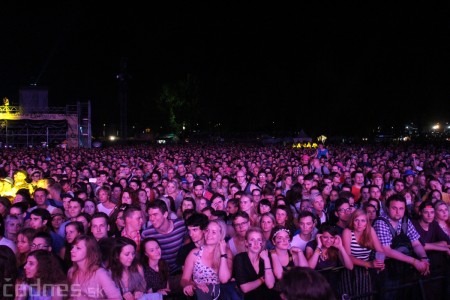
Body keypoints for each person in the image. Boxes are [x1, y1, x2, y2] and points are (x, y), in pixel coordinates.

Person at [373, 194, 430, 299]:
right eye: (394, 208)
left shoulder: (406, 221)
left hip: (404, 268)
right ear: (387, 208)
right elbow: (386, 250)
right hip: (387, 270)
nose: (398, 212)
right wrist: (415, 261)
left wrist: (424, 258)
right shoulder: (381, 222)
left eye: (401, 208)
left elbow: (416, 243)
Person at [181, 219, 232, 299]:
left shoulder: (226, 253)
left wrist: (222, 254)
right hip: (200, 295)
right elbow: (184, 279)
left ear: (221, 235)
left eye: (213, 232)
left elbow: (224, 279)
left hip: (220, 296)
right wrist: (192, 284)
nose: (209, 235)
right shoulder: (194, 254)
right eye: (207, 230)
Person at [341, 209, 385, 300]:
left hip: (367, 270)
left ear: (366, 223)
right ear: (352, 221)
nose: (359, 224)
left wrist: (380, 263)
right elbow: (348, 256)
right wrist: (369, 264)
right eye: (356, 220)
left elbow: (380, 250)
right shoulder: (347, 232)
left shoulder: (370, 230)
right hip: (351, 270)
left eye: (363, 221)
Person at [305, 224, 353, 298]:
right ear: (319, 237)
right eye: (325, 237)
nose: (329, 241)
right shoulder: (311, 245)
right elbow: (309, 268)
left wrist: (341, 247)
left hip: (333, 284)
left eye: (332, 237)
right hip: (316, 284)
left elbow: (350, 266)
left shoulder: (335, 247)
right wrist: (319, 246)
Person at [68, 235, 122, 299]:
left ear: (89, 251)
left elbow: (117, 298)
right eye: (72, 247)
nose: (72, 251)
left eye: (78, 248)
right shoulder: (71, 272)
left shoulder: (100, 273)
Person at [233, 227, 275, 299]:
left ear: (262, 243)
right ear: (246, 242)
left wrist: (266, 259)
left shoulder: (267, 256)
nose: (256, 243)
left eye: (259, 240)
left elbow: (270, 285)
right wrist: (262, 279)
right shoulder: (240, 258)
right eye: (252, 240)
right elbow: (245, 288)